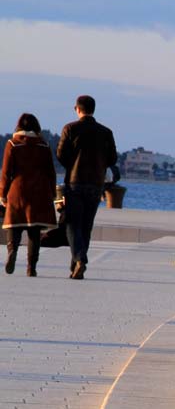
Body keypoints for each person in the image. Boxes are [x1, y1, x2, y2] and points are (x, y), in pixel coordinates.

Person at [57, 95, 117, 279]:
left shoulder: (70, 129)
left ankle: (80, 258)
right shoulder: (106, 132)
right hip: (96, 184)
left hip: (75, 183)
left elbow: (61, 155)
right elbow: (113, 158)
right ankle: (75, 265)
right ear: (93, 109)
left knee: (72, 224)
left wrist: (72, 164)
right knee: (86, 226)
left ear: (77, 109)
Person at [1, 113, 57, 277]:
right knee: (34, 232)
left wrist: (2, 194)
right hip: (40, 192)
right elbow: (50, 172)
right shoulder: (44, 146)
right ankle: (31, 267)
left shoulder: (12, 144)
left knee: (14, 225)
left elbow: (6, 172)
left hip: (17, 190)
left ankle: (12, 251)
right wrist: (52, 193)